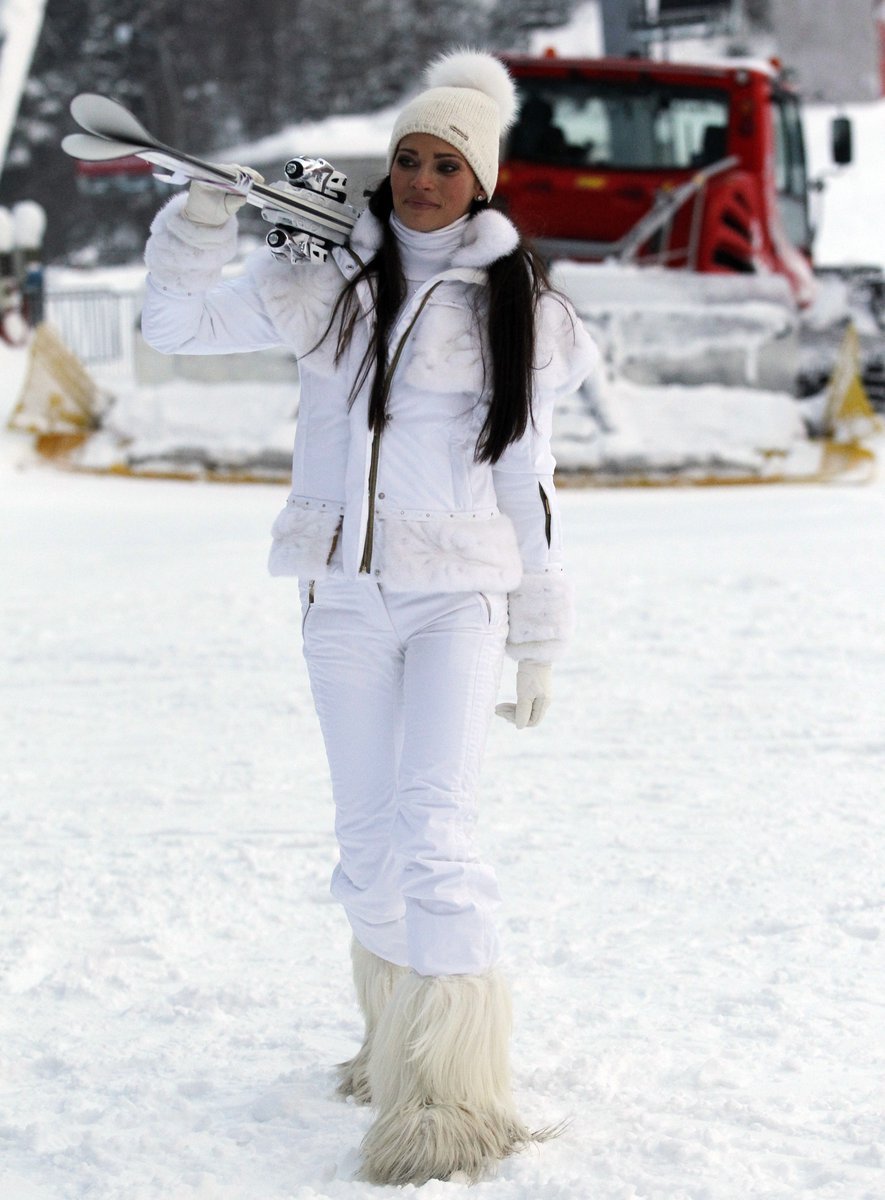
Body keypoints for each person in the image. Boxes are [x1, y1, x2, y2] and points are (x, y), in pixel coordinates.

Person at [141, 48, 597, 1186]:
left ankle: (454, 1098)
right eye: (407, 158)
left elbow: (526, 479)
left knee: (436, 836)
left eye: (447, 164)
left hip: (457, 597)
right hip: (340, 593)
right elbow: (175, 326)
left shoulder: (518, 309)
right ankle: (392, 1043)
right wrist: (203, 215)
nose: (423, 179)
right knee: (365, 851)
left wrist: (539, 629)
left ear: (481, 181)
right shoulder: (324, 282)